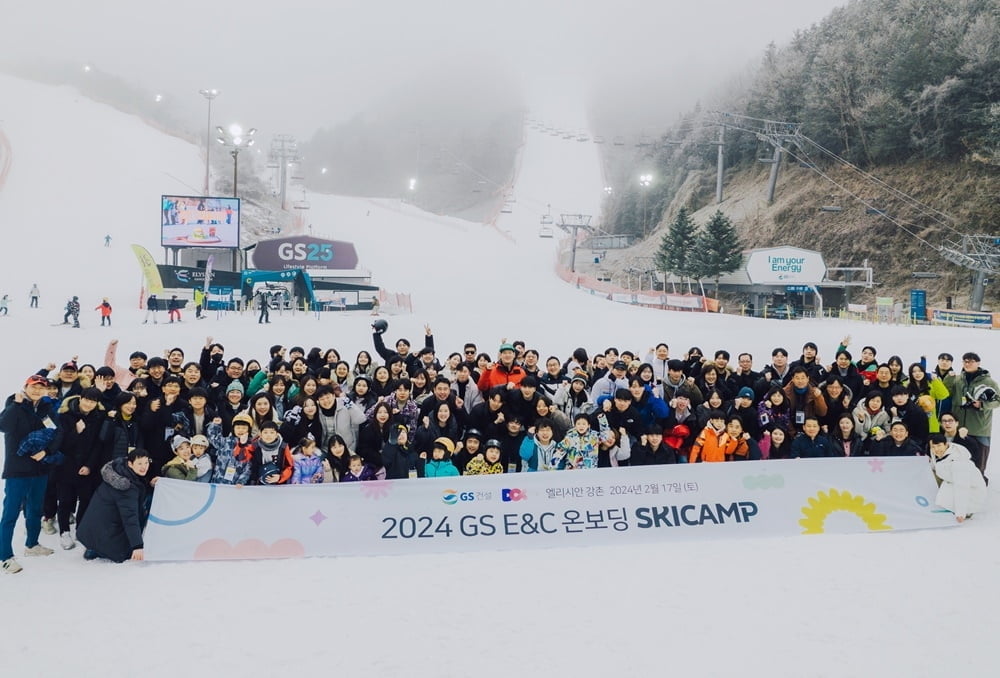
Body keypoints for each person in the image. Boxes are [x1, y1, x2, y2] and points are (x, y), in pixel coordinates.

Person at [0, 374, 58, 573]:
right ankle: (4, 556)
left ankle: (32, 545)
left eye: (41, 387)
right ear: (26, 387)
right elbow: (3, 426)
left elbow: (56, 433)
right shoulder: (14, 404)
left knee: (35, 509)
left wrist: (47, 452)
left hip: (40, 468)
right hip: (17, 470)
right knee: (10, 513)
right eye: (34, 386)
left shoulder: (46, 409)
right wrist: (16, 405)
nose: (37, 390)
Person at [76, 449, 150, 563]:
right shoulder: (126, 487)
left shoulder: (119, 470)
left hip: (92, 527)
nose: (144, 467)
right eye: (139, 463)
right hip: (106, 530)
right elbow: (130, 517)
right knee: (124, 554)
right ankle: (98, 549)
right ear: (130, 463)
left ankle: (94, 546)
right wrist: (137, 546)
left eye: (146, 463)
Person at [952, 352, 998, 476]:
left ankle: (980, 483)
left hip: (979, 428)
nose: (967, 364)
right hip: (959, 426)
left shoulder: (989, 382)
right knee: (958, 459)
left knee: (979, 460)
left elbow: (998, 401)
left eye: (971, 361)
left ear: (978, 363)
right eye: (965, 361)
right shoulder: (957, 380)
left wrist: (983, 405)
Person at [928, 433, 987, 522]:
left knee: (947, 495)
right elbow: (936, 466)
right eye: (933, 446)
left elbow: (962, 487)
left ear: (946, 444)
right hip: (953, 482)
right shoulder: (940, 455)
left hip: (971, 493)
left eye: (939, 446)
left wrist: (960, 513)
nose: (936, 449)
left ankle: (966, 511)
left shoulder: (959, 462)